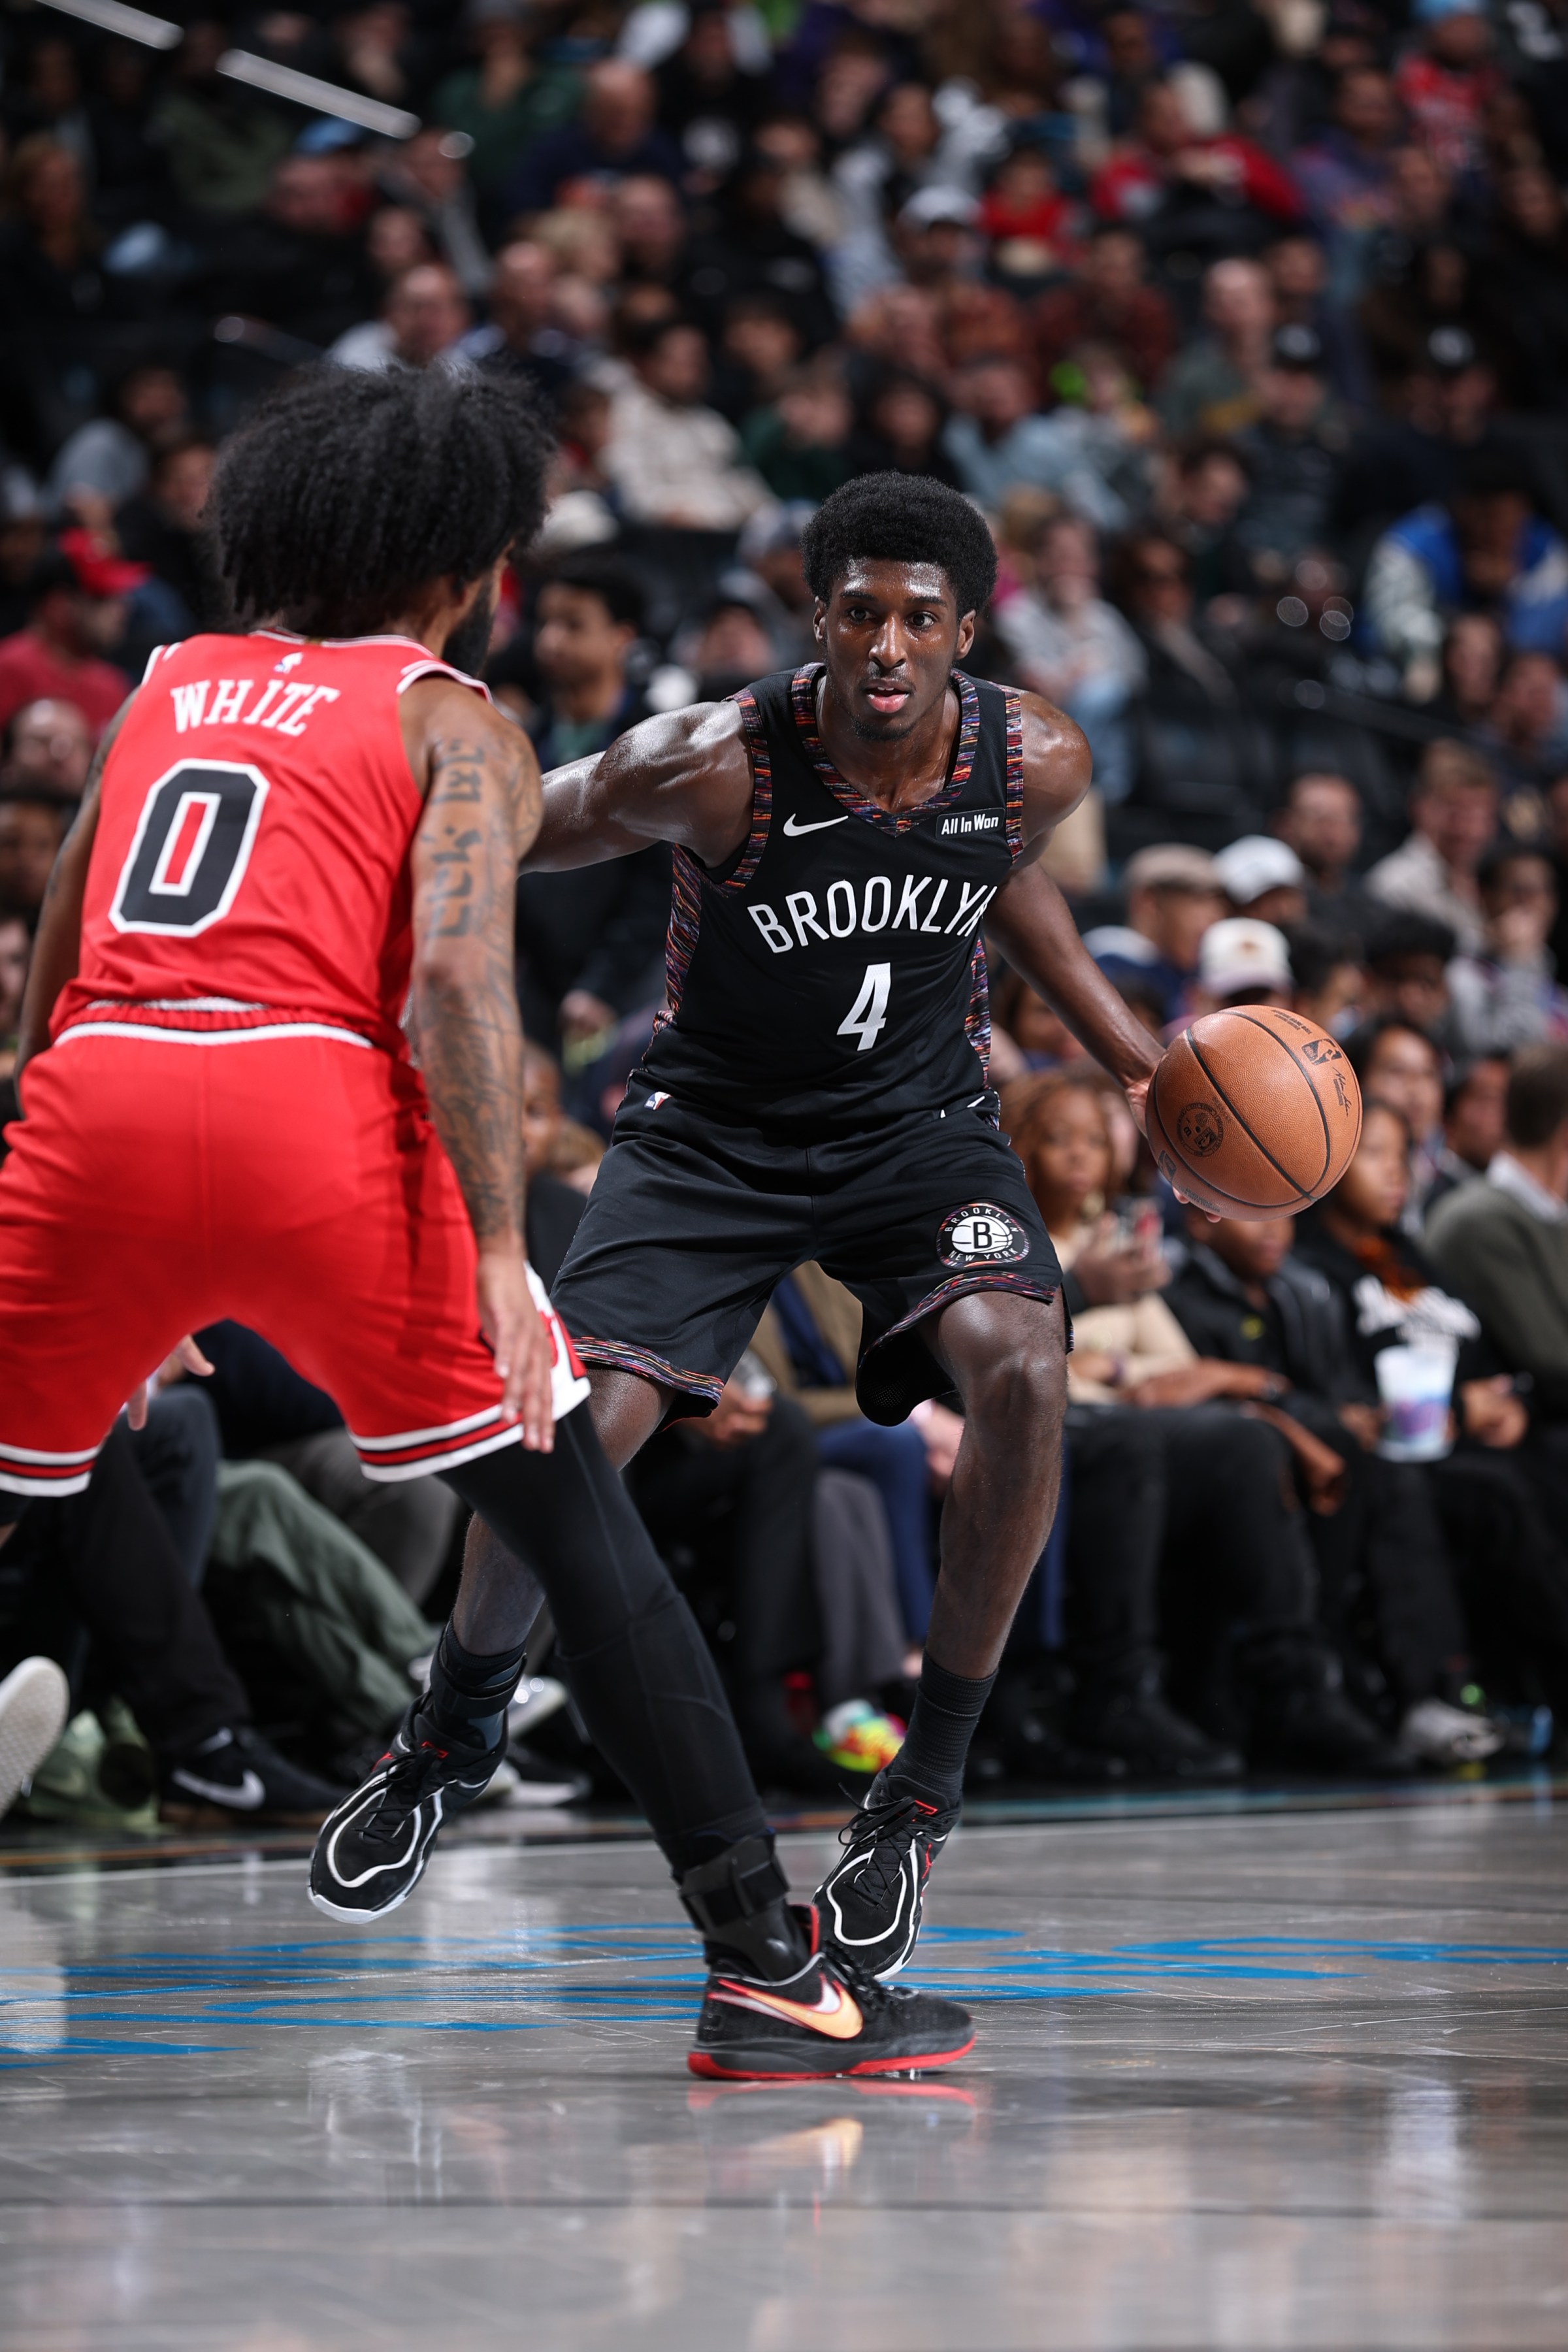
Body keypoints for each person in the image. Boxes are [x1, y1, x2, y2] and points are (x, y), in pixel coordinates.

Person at [0, 368, 968, 2083]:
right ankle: (762, 1963)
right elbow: (455, 969)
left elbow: (58, 962)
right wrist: (503, 1250)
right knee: (580, 1531)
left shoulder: (161, 684)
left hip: (99, 1101)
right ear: (475, 562)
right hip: (311, 1120)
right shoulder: (451, 718)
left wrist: (89, 1217)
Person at [463, 470, 1169, 1980]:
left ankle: (915, 1796)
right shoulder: (718, 763)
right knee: (579, 1420)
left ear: (966, 631)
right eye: (861, 610)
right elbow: (523, 824)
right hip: (711, 1132)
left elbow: (1000, 872)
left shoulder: (1032, 758)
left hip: (911, 1129)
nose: (889, 640)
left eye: (921, 615)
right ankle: (455, 1714)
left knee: (1027, 1375)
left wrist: (1129, 1055)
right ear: (817, 618)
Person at [1365, 738, 1497, 956]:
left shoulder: (1490, 882)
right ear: (1423, 808)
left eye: (1479, 816)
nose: (1469, 829)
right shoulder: (1395, 883)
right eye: (1456, 813)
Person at [0, 534, 138, 737]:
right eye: (101, 598)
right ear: (59, 607)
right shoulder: (10, 670)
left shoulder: (113, 684)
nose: (121, 610)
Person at [1081, 843, 1228, 1026]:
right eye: (1199, 900)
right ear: (1148, 902)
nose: (1216, 915)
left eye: (1220, 904)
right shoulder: (1107, 963)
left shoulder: (1199, 975)